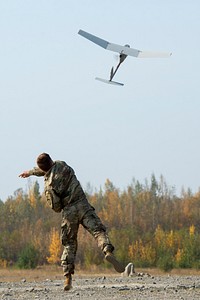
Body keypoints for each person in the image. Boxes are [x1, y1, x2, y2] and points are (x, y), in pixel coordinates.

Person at [19, 153, 125, 291]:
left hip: (69, 213)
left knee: (69, 244)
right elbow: (47, 168)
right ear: (51, 160)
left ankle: (68, 278)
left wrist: (32, 174)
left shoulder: (49, 185)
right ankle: (107, 250)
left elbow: (56, 207)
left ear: (43, 168)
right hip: (83, 205)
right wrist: (30, 172)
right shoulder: (62, 164)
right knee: (98, 231)